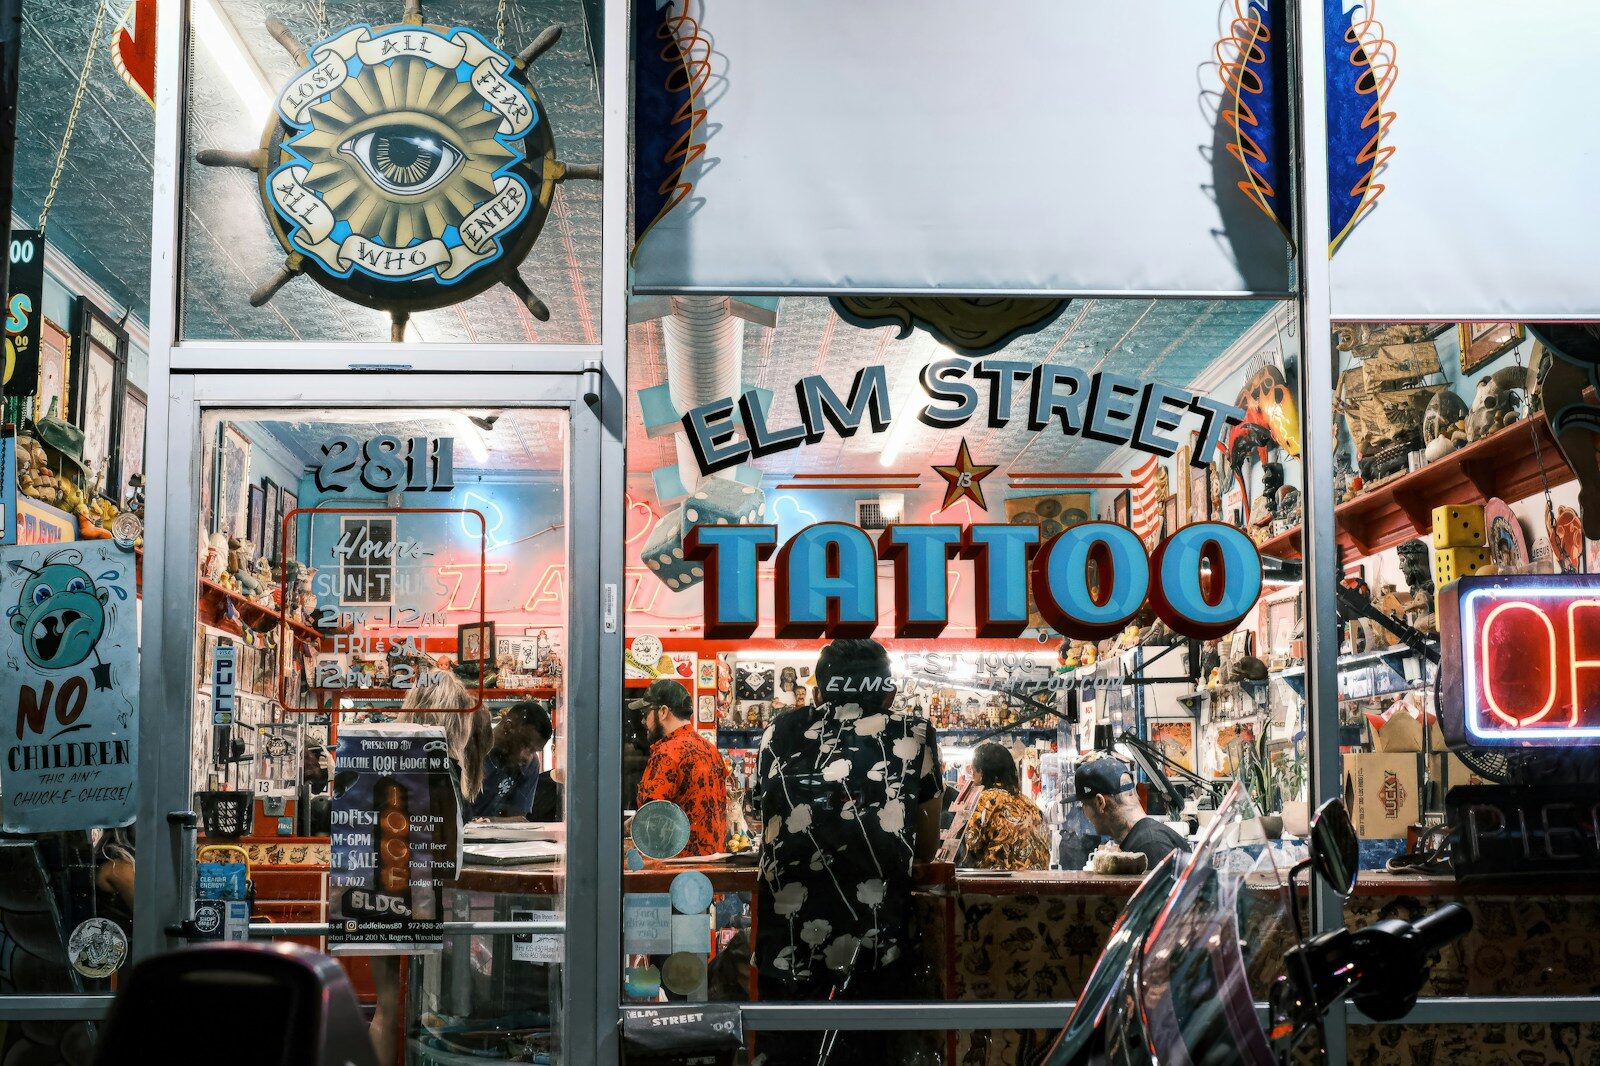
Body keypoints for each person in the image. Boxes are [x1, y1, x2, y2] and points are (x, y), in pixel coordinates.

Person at [753, 638, 942, 1065]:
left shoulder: (778, 731)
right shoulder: (913, 733)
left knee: (787, 1056)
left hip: (787, 944)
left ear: (818, 691)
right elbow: (926, 846)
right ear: (890, 692)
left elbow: (762, 813)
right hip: (873, 945)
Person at [370, 668, 493, 1065]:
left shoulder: (387, 755)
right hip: (417, 894)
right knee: (418, 1007)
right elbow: (445, 854)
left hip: (381, 890)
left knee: (389, 1007)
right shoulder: (440, 769)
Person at [633, 679, 728, 855]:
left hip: (677, 869)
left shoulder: (666, 753)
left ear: (662, 712)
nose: (644, 722)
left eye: (646, 713)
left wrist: (622, 829)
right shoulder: (710, 750)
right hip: (714, 865)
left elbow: (650, 822)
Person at [1075, 756, 1187, 870]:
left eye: (1084, 805)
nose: (1084, 813)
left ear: (1100, 803)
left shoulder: (1150, 846)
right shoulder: (1144, 840)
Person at [961, 742, 1051, 871]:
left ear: (981, 773)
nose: (973, 779)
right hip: (1036, 881)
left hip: (1001, 883)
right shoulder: (1028, 803)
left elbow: (970, 845)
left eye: (973, 772)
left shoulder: (986, 799)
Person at [470, 700, 553, 820]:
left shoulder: (530, 765)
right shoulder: (472, 751)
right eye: (526, 745)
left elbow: (517, 819)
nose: (527, 756)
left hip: (500, 837)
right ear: (508, 727)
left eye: (534, 751)